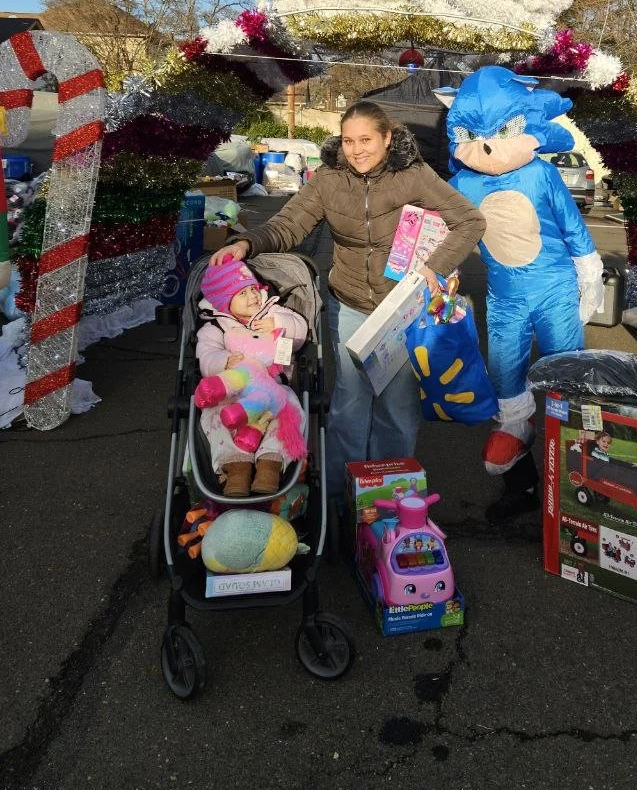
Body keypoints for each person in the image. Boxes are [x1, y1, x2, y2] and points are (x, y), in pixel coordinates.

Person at [211, 101, 486, 502]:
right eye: (349, 141)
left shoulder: (414, 175)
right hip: (350, 303)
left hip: (400, 311)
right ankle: (342, 497)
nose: (357, 150)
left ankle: (387, 495)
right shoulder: (328, 179)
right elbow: (290, 224)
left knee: (397, 406)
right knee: (349, 404)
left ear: (387, 138)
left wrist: (435, 266)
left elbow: (470, 221)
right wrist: (246, 243)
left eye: (366, 140)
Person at [194, 256, 308, 497]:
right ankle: (236, 468)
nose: (253, 297)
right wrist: (223, 361)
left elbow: (300, 330)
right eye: (242, 294)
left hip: (273, 389)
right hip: (233, 390)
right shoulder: (215, 327)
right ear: (225, 302)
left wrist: (278, 323)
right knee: (215, 416)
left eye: (253, 289)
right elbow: (205, 355)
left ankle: (270, 465)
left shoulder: (273, 312)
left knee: (290, 411)